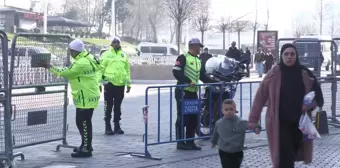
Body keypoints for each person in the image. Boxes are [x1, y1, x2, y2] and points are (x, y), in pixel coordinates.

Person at [248, 43, 324, 168]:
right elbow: (259, 98)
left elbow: (318, 96)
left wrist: (310, 105)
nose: (289, 57)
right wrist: (253, 121)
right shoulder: (273, 74)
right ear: (281, 56)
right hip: (279, 123)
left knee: (292, 154)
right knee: (284, 157)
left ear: (296, 56)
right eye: (286, 54)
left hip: (300, 124)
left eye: (292, 54)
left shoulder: (305, 73)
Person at [41, 39, 100, 158]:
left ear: (75, 51)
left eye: (70, 51)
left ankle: (86, 149)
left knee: (83, 122)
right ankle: (86, 144)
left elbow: (66, 73)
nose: (70, 53)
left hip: (86, 96)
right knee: (81, 121)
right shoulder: (86, 58)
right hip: (86, 94)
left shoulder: (81, 63)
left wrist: (49, 66)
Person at [172, 38, 207, 150]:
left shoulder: (198, 60)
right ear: (193, 46)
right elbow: (176, 71)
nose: (200, 49)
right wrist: (188, 81)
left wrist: (215, 81)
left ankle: (190, 142)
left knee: (193, 117)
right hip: (183, 92)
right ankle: (181, 142)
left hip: (193, 93)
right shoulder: (183, 58)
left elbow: (202, 76)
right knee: (183, 118)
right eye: (198, 47)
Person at [211, 99, 261, 168]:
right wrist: (213, 142)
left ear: (235, 110)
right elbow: (215, 134)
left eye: (231, 109)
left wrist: (256, 128)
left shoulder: (240, 122)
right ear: (222, 111)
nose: (229, 112)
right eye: (226, 110)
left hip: (237, 152)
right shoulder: (219, 123)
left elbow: (250, 125)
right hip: (224, 151)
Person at [100, 36, 131, 135]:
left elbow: (127, 70)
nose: (116, 43)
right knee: (108, 106)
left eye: (118, 42)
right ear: (111, 44)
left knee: (118, 106)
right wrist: (99, 83)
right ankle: (107, 126)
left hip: (120, 84)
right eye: (114, 42)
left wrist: (128, 83)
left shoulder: (124, 55)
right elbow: (100, 69)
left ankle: (117, 126)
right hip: (109, 84)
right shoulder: (106, 55)